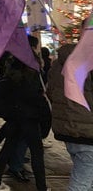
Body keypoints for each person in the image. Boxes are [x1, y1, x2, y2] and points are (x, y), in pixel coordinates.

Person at [0, 55, 50, 191]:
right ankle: (42, 187)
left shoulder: (11, 76)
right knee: (37, 154)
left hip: (14, 118)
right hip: (30, 120)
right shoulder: (32, 78)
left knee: (7, 148)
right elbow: (38, 101)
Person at [47, 44, 93, 190]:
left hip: (68, 129)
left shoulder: (60, 62)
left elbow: (51, 91)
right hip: (88, 131)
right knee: (81, 184)